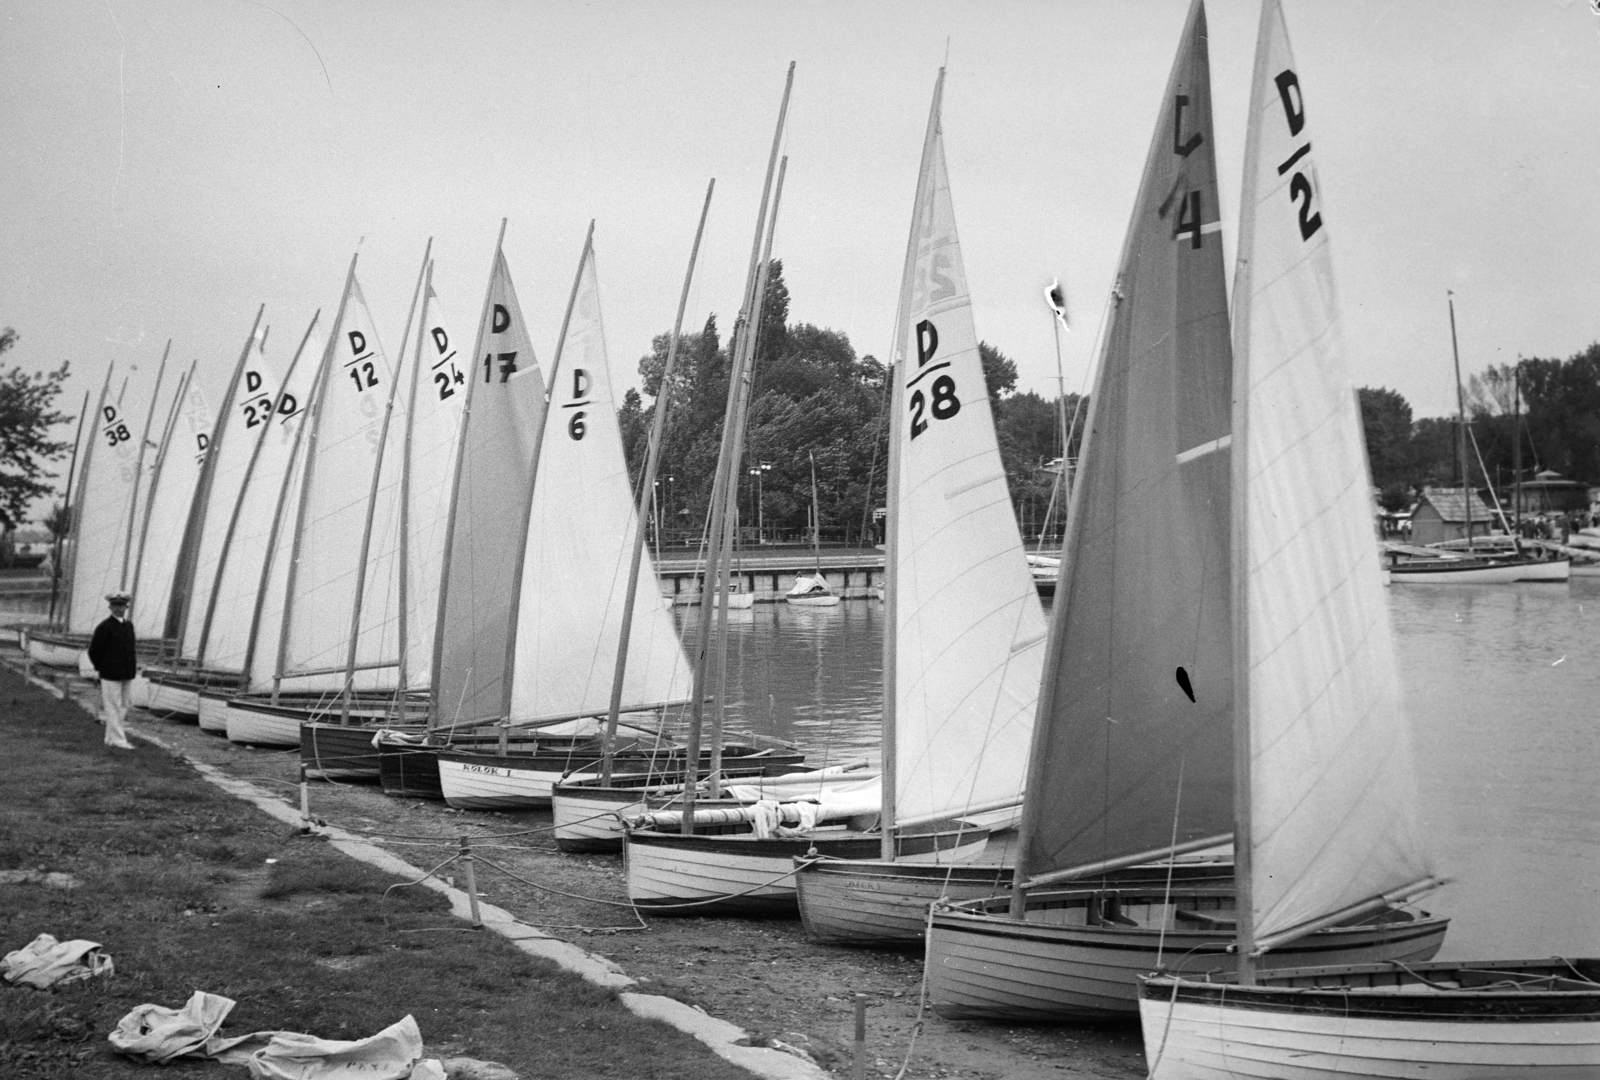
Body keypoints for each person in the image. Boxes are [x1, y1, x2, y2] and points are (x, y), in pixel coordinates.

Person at [87, 592, 137, 750]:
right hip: (110, 673)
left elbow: (130, 650)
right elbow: (94, 651)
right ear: (110, 607)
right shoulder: (105, 627)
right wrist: (103, 667)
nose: (118, 609)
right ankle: (118, 739)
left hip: (126, 672)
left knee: (123, 706)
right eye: (115, 606)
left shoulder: (128, 626)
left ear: (126, 607)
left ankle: (110, 737)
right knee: (113, 706)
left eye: (121, 606)